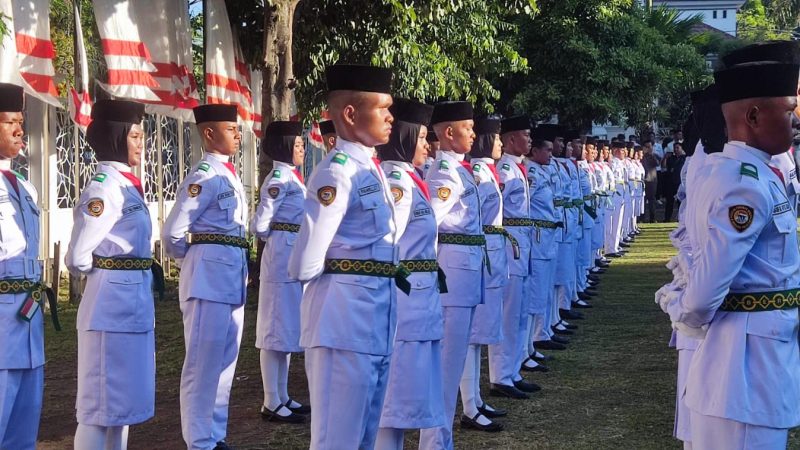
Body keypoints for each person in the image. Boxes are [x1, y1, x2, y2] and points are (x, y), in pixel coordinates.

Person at [661, 59, 800, 449]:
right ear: (753, 116)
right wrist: (683, 311)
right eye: (788, 111)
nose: (795, 121)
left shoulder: (743, 172)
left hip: (750, 359)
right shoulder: (745, 184)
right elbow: (704, 292)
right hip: (745, 370)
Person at [288, 64, 397, 450]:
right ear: (350, 114)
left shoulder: (370, 169)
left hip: (374, 320)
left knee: (363, 437)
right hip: (343, 323)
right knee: (338, 439)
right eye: (382, 107)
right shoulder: (336, 174)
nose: (390, 116)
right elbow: (304, 263)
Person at [66, 100, 159, 450]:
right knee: (98, 406)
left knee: (121, 406)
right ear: (116, 137)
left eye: (141, 136)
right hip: (109, 308)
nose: (141, 143)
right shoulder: (104, 188)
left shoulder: (127, 185)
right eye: (134, 136)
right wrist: (111, 270)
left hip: (132, 304)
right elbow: (77, 257)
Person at [162, 104, 248, 450]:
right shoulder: (203, 176)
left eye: (237, 129)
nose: (238, 135)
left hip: (230, 279)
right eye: (230, 129)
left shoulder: (228, 174)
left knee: (225, 362)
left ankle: (214, 434)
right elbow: (172, 232)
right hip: (207, 280)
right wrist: (195, 260)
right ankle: (198, 440)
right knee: (202, 363)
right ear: (209, 133)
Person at [374, 98, 445, 449]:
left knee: (408, 397)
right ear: (403, 138)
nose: (427, 145)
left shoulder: (410, 180)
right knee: (396, 400)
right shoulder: (397, 185)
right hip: (406, 303)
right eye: (419, 138)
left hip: (419, 299)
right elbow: (388, 244)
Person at [419, 101, 482, 450]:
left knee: (453, 362)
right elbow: (428, 224)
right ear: (447, 132)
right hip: (453, 276)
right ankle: (435, 442)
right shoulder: (445, 173)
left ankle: (442, 440)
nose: (473, 133)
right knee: (446, 366)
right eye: (467, 127)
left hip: (464, 272)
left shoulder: (459, 169)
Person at [0, 83, 55, 450]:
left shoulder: (24, 185)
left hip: (28, 317)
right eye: (10, 122)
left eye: (21, 122)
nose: (20, 130)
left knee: (24, 425)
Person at [250, 121, 309, 424]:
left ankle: (282, 395)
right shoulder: (278, 179)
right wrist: (282, 233)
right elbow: (260, 225)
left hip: (291, 255)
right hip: (280, 257)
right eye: (297, 144)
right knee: (273, 330)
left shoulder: (292, 177)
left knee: (285, 328)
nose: (302, 149)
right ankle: (271, 400)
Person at [459, 116, 508, 432]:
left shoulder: (485, 171)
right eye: (496, 138)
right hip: (477, 256)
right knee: (472, 336)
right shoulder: (476, 173)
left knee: (479, 335)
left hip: (488, 253)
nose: (500, 143)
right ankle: (468, 405)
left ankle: (475, 399)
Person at [488, 115, 536, 401]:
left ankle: (513, 370)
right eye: (525, 135)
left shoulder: (518, 167)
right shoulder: (505, 170)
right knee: (508, 311)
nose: (529, 140)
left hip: (523, 240)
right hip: (511, 242)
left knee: (519, 310)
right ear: (510, 139)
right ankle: (501, 375)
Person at [663, 142, 685, 222]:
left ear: (681, 148)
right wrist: (665, 158)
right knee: (669, 202)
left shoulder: (684, 158)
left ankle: (681, 219)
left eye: (677, 148)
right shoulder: (671, 158)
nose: (676, 150)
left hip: (680, 183)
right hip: (671, 183)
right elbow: (664, 167)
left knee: (680, 202)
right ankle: (667, 218)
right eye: (674, 148)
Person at [641, 141, 659, 223]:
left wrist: (651, 155)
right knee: (643, 200)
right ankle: (642, 218)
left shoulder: (654, 155)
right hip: (643, 180)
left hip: (652, 180)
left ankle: (653, 218)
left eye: (650, 147)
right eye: (647, 147)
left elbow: (657, 163)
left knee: (652, 200)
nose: (649, 148)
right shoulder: (641, 156)